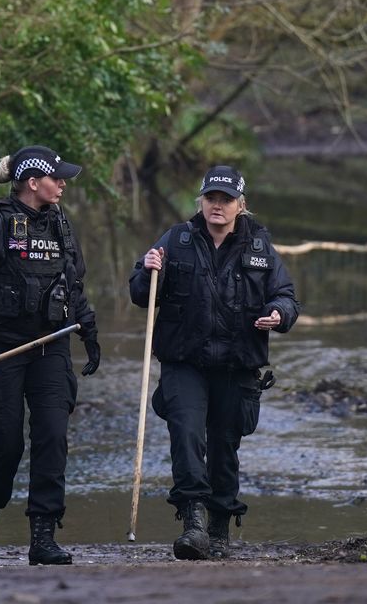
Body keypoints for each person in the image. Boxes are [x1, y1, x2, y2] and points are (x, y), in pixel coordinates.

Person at [128, 165, 299, 560]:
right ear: (201, 201)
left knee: (225, 446)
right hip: (184, 361)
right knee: (187, 435)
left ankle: (220, 528)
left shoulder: (259, 247)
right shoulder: (176, 240)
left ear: (241, 204)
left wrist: (278, 313)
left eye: (226, 200)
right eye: (211, 198)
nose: (217, 206)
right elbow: (141, 293)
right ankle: (193, 523)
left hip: (237, 365)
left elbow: (287, 297)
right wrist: (148, 270)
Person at [0, 145, 100, 567]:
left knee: (53, 434)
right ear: (33, 182)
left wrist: (88, 331)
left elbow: (74, 285)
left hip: (50, 345)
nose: (64, 183)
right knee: (8, 442)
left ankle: (44, 535)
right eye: (57, 177)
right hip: (0, 350)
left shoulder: (61, 226)